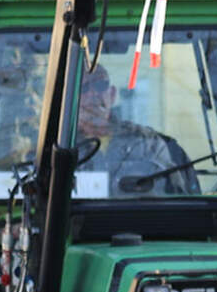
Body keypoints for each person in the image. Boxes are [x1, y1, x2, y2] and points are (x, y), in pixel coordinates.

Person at [74, 64, 192, 195]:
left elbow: (176, 194)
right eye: (84, 88)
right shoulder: (61, 148)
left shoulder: (146, 142)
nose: (93, 93)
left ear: (112, 94)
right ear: (73, 98)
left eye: (100, 85)